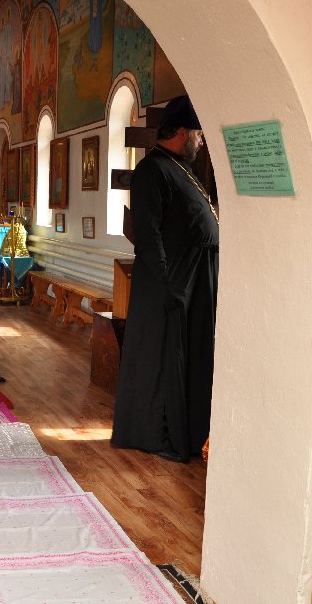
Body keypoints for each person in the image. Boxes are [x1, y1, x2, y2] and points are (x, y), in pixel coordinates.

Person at [111, 95, 218, 463]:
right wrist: (169, 283)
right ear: (183, 132)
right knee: (166, 359)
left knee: (193, 357)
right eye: (199, 134)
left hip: (192, 279)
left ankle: (191, 431)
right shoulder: (152, 170)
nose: (201, 142)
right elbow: (148, 233)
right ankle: (162, 435)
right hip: (173, 284)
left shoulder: (180, 168)